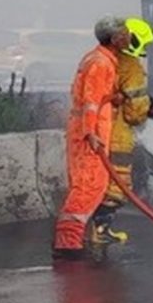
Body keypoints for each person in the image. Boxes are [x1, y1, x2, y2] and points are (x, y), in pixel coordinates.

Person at [53, 16, 130, 261]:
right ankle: (67, 241)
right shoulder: (101, 63)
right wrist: (91, 133)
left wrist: (112, 98)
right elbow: (90, 102)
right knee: (87, 186)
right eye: (125, 33)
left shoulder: (100, 59)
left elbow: (97, 96)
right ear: (115, 38)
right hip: (90, 135)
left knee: (92, 185)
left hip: (91, 131)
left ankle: (72, 238)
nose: (129, 37)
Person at [91, 17, 153, 246]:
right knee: (117, 186)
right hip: (117, 134)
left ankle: (85, 229)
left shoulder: (104, 59)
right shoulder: (131, 67)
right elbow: (134, 113)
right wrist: (147, 109)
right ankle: (101, 230)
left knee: (94, 184)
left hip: (96, 130)